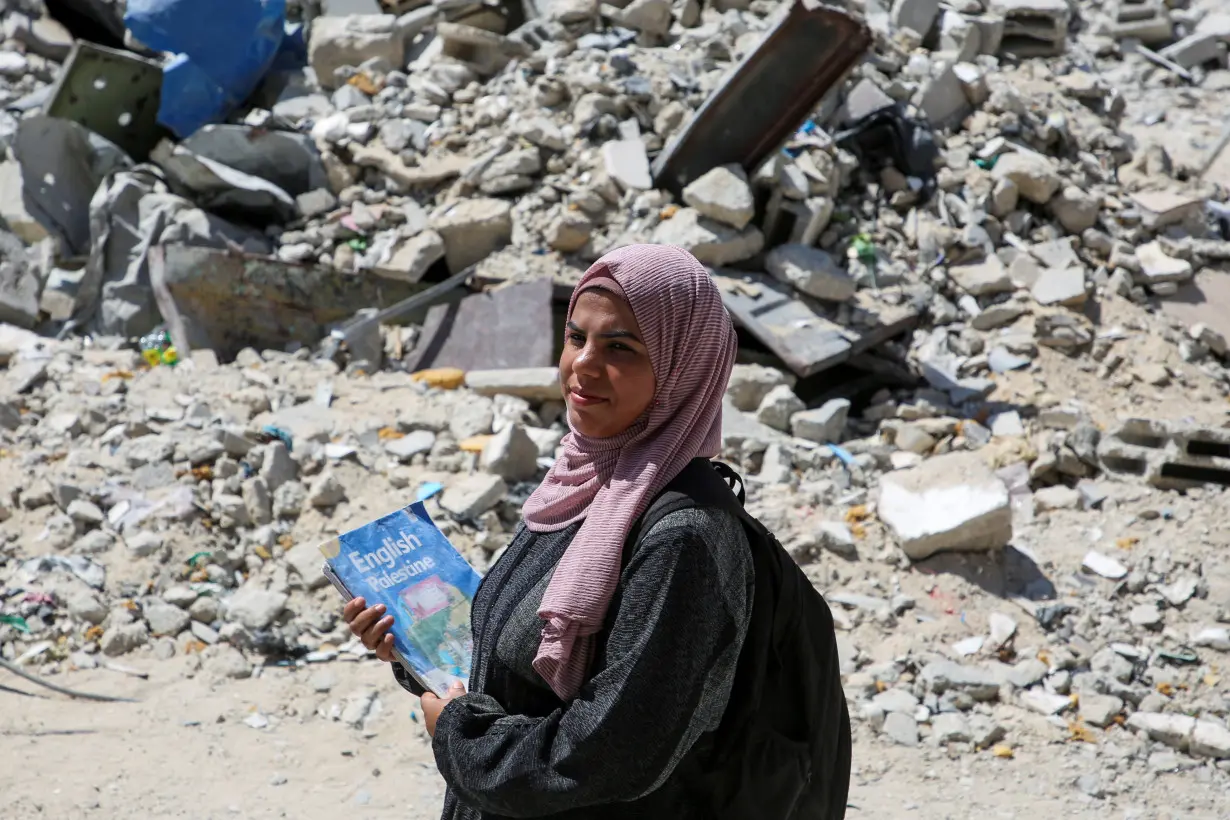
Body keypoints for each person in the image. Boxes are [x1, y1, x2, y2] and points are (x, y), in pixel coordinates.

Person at [342, 243, 849, 819]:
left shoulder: (684, 539)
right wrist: (415, 650)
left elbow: (612, 752)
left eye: (620, 347)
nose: (582, 363)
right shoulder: (583, 485)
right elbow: (513, 668)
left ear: (684, 366)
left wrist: (461, 737)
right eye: (576, 337)